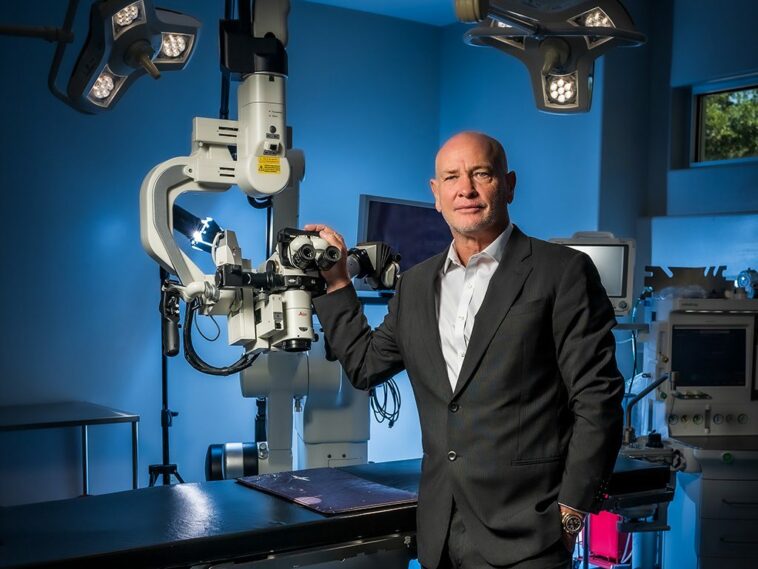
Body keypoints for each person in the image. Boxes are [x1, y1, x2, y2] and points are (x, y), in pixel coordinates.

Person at [305, 131, 624, 569]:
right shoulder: (416, 285)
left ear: (508, 184)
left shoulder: (561, 272)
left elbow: (598, 399)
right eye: (452, 177)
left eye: (481, 174)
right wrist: (339, 284)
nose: (466, 189)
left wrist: (570, 514)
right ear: (436, 195)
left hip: (528, 534)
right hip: (440, 533)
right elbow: (364, 365)